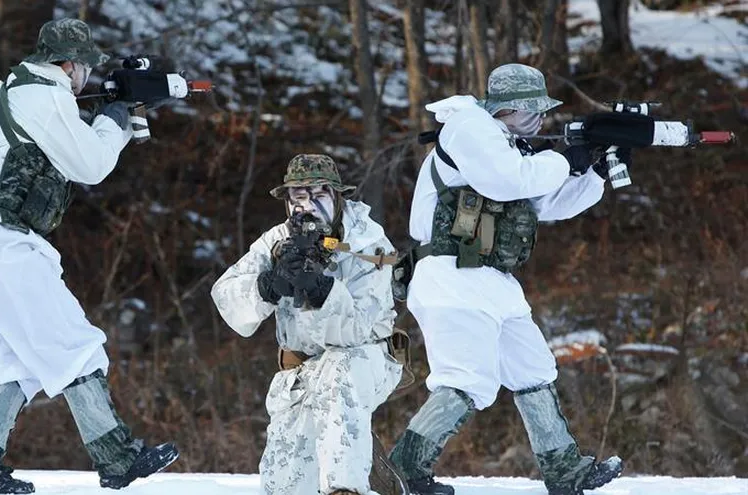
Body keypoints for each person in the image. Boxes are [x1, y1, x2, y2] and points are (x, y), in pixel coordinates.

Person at [0, 18, 178, 494]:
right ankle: (117, 458)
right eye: (86, 68)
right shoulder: (45, 97)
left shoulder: (15, 89)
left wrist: (108, 106)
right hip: (3, 242)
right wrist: (117, 116)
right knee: (77, 348)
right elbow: (91, 164)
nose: (87, 77)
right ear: (69, 64)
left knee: (11, 366)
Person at [387, 64, 625, 495]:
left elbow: (545, 203)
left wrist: (593, 173)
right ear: (510, 108)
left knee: (533, 368)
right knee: (465, 380)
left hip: (491, 280)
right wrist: (563, 158)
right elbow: (507, 180)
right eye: (533, 114)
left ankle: (564, 469)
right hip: (451, 274)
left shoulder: (505, 146)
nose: (538, 124)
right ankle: (404, 469)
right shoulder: (469, 126)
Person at [211, 154, 404, 495]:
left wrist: (321, 289)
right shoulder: (277, 241)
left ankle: (346, 490)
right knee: (286, 483)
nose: (308, 206)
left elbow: (359, 329)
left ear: (337, 196)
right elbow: (225, 294)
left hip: (366, 361)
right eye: (298, 197)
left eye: (318, 195)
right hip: (300, 374)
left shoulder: (366, 243)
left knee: (339, 373)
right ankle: (380, 480)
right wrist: (265, 287)